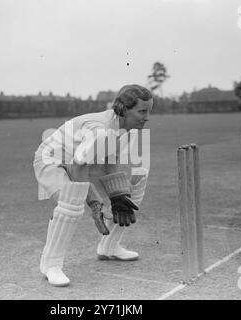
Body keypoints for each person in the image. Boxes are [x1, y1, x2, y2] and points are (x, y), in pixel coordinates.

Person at [33, 84, 153, 287]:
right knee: (73, 202)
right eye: (142, 111)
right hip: (52, 160)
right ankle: (50, 264)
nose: (147, 117)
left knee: (130, 190)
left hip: (80, 161)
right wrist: (95, 203)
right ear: (124, 109)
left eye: (149, 111)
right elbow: (77, 168)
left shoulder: (122, 127)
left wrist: (118, 195)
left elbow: (109, 161)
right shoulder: (101, 130)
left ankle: (109, 247)